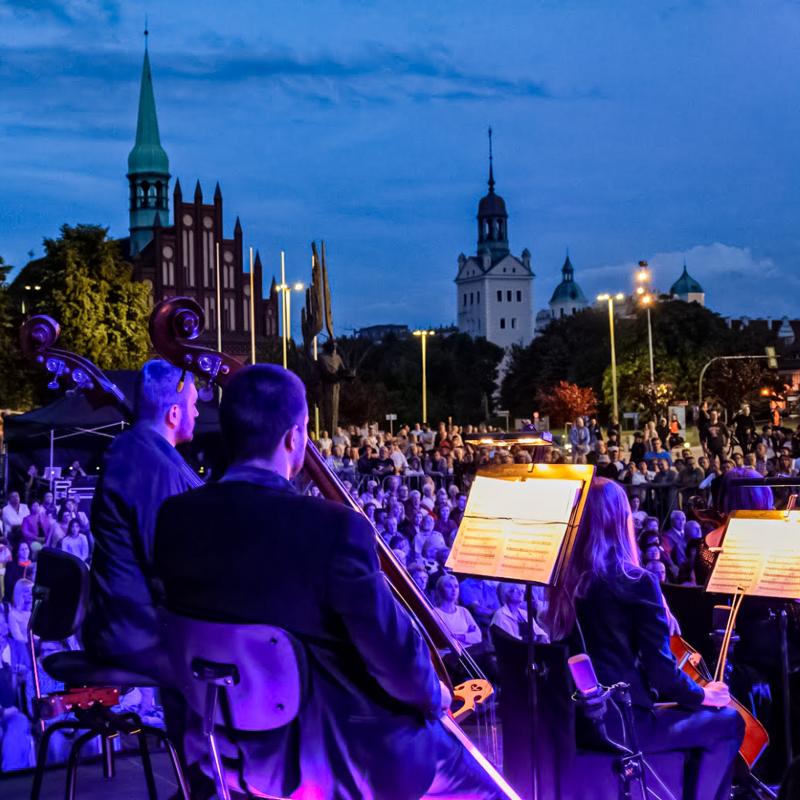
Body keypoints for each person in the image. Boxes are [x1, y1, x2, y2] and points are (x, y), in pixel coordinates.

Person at [154, 364, 503, 800]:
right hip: (337, 757)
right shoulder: (333, 529)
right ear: (293, 438)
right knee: (485, 784)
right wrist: (436, 695)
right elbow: (396, 660)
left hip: (224, 750)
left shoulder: (174, 521)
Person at [545, 478, 744, 800]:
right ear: (620, 520)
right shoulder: (635, 581)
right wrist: (703, 694)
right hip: (622, 724)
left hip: (576, 721)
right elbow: (663, 674)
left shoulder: (562, 580)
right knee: (728, 721)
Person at [82, 359, 201, 675]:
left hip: (118, 624)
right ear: (173, 414)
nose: (197, 413)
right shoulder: (152, 465)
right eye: (193, 404)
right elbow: (166, 564)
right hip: (135, 634)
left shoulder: (133, 448)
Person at [432, 574, 482, 647]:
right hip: (448, 652)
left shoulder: (463, 611)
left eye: (456, 586)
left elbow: (478, 636)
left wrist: (458, 636)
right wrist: (468, 635)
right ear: (440, 590)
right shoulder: (435, 613)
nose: (454, 590)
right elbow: (444, 639)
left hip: (469, 651)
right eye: (449, 586)